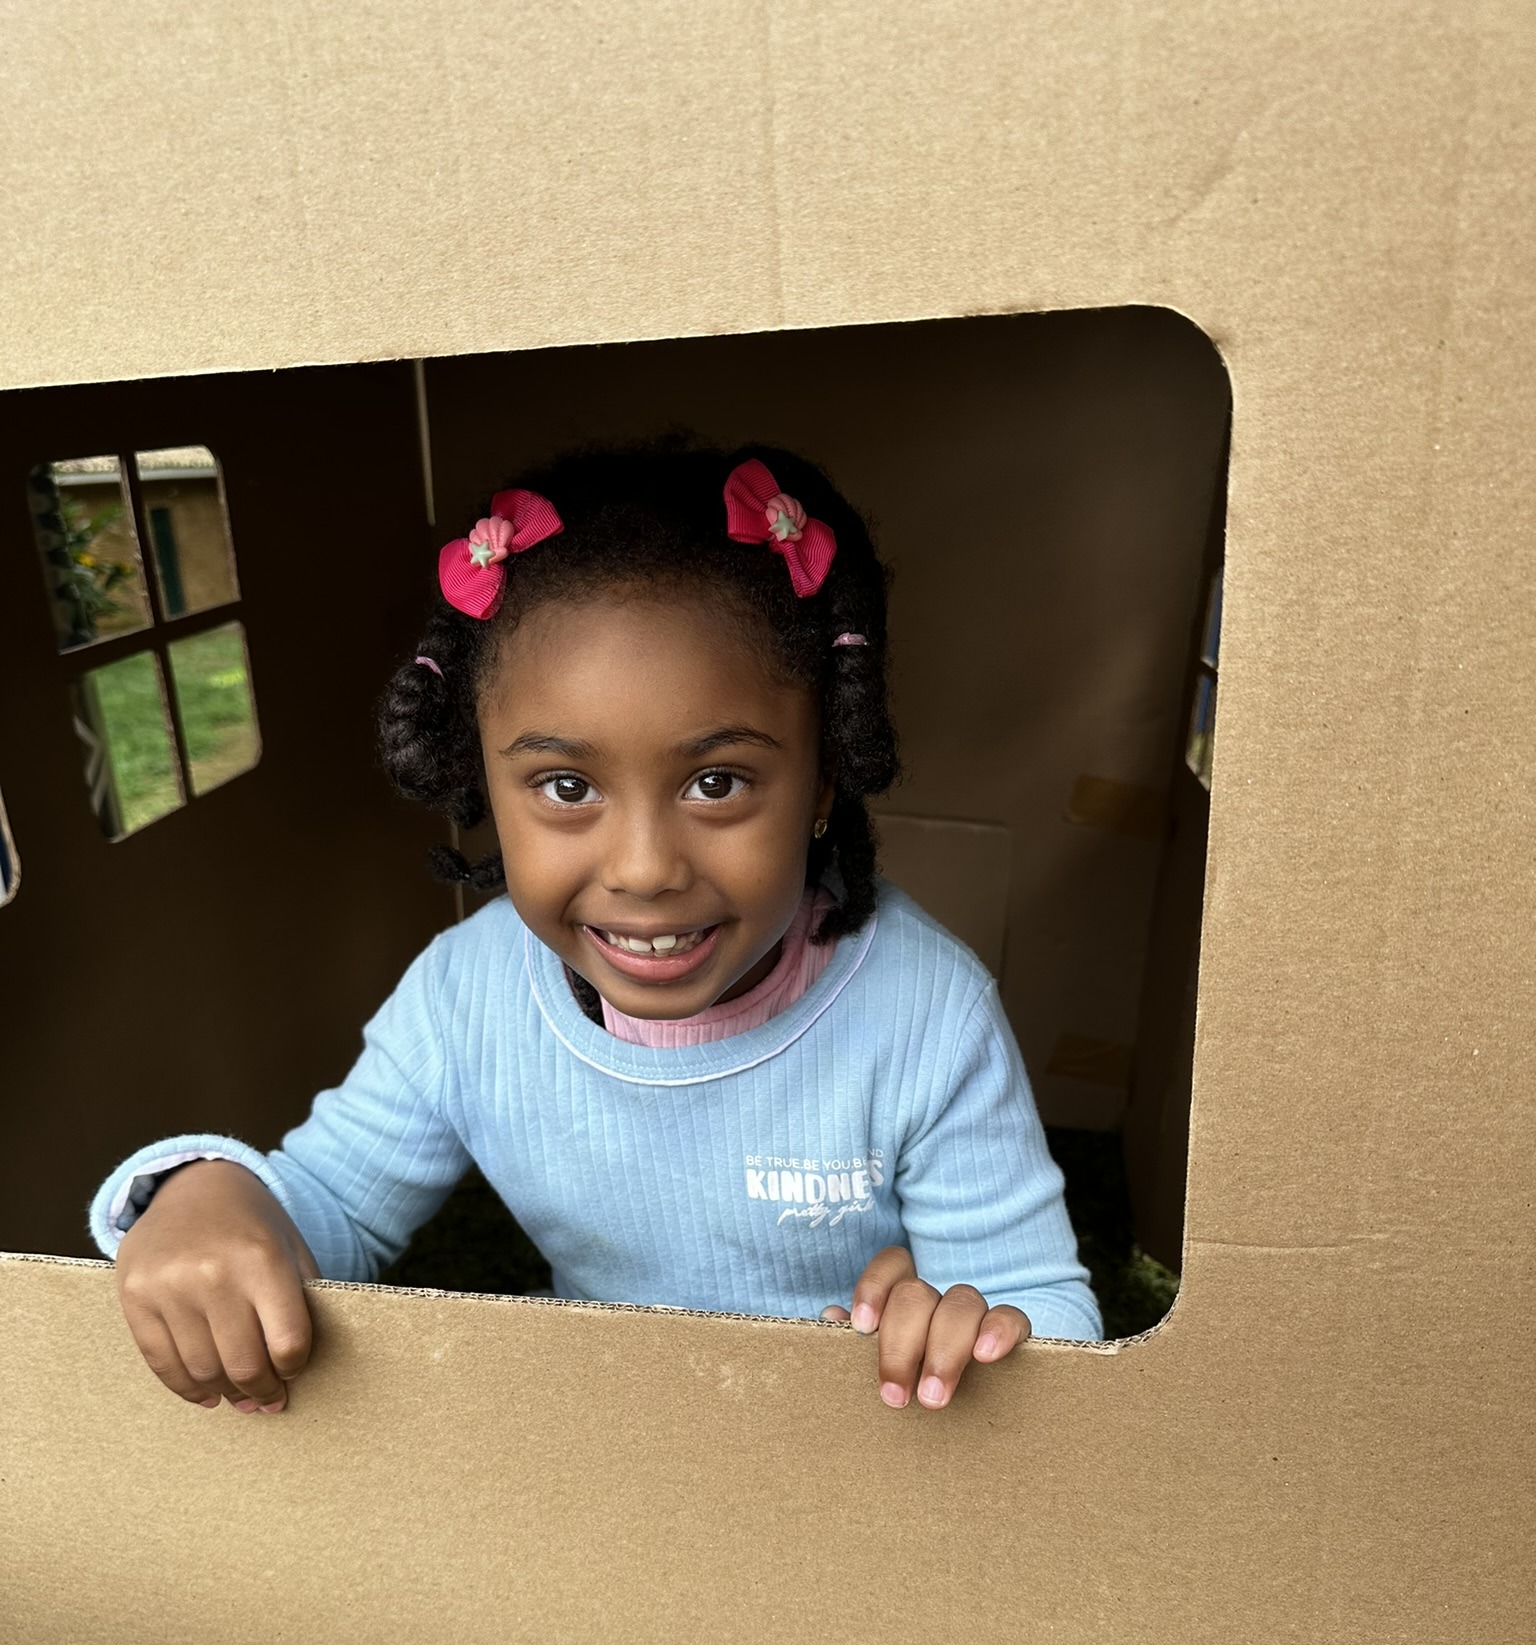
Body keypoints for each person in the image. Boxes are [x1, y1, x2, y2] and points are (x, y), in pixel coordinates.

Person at [91, 440, 1102, 1419]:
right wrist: (207, 1196)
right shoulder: (467, 994)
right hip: (594, 1443)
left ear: (825, 775)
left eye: (719, 782)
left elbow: (1043, 1307)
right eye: (566, 786)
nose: (644, 868)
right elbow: (329, 1210)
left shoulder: (928, 1010)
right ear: (482, 779)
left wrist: (959, 1326)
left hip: (852, 1459)